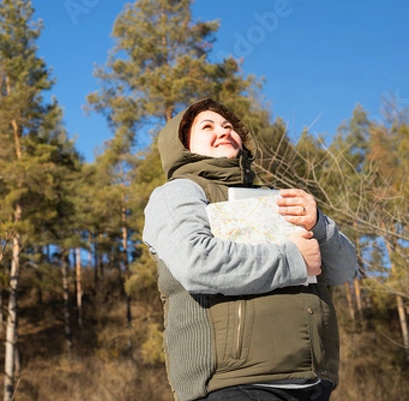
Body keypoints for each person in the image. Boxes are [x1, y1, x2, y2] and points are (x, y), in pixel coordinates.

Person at [142, 98, 357, 401]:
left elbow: (345, 270)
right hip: (234, 384)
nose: (223, 130)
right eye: (208, 126)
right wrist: (293, 259)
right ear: (183, 146)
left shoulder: (274, 199)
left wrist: (320, 224)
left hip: (312, 384)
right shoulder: (179, 192)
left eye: (229, 126)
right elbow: (197, 263)